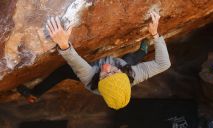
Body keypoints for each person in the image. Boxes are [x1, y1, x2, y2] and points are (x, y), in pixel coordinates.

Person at [18, 11, 171, 110]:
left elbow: (74, 60)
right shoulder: (133, 74)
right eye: (113, 72)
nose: (106, 67)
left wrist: (63, 43)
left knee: (64, 70)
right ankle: (143, 50)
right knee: (131, 59)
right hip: (125, 67)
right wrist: (155, 34)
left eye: (105, 75)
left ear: (100, 83)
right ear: (125, 77)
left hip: (93, 70)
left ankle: (35, 94)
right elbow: (163, 64)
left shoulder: (90, 79)